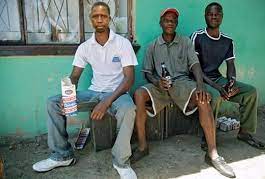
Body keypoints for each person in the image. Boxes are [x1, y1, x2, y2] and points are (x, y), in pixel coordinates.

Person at [32, 2, 138, 178]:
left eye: (103, 16)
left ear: (109, 19)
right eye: (95, 16)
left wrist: (106, 102)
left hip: (117, 93)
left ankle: (121, 161)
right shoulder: (85, 47)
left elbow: (129, 79)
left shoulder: (122, 43)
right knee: (53, 102)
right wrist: (68, 94)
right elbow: (74, 76)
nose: (99, 19)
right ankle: (62, 155)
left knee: (129, 109)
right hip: (93, 92)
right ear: (91, 20)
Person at [132, 8, 235, 178]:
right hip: (161, 86)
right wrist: (157, 81)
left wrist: (200, 86)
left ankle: (213, 153)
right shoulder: (152, 46)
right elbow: (147, 73)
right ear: (161, 23)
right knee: (139, 94)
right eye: (167, 20)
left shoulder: (186, 42)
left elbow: (195, 65)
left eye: (173, 20)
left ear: (176, 24)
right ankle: (143, 146)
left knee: (203, 98)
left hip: (182, 84)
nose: (170, 23)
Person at [191, 2, 265, 151]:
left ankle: (245, 133)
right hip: (198, 80)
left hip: (217, 79)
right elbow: (195, 68)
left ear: (222, 17)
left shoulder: (227, 41)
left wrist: (230, 82)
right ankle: (208, 136)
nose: (213, 17)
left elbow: (231, 65)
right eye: (210, 14)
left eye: (217, 14)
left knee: (250, 92)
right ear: (205, 16)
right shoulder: (197, 36)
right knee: (215, 96)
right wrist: (218, 87)